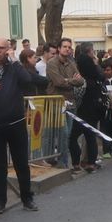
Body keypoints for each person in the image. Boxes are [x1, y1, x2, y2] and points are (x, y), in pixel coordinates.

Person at [0, 37, 40, 211]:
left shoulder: (15, 69)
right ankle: (0, 200)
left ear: (8, 49)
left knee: (21, 163)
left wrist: (16, 61)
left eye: (2, 48)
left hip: (16, 123)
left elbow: (27, 81)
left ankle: (27, 198)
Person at [46, 39, 84, 167]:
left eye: (69, 47)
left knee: (67, 135)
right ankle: (61, 163)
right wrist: (72, 80)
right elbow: (58, 82)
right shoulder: (52, 63)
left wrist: (69, 80)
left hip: (71, 102)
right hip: (57, 102)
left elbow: (81, 81)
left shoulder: (71, 63)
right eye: (64, 46)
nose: (67, 49)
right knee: (63, 133)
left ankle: (62, 161)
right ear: (59, 48)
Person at [71, 41, 106, 172]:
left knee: (75, 135)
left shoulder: (77, 65)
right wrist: (97, 64)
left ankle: (79, 162)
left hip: (81, 106)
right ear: (90, 50)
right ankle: (89, 162)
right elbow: (101, 76)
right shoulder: (91, 67)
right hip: (91, 105)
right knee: (89, 135)